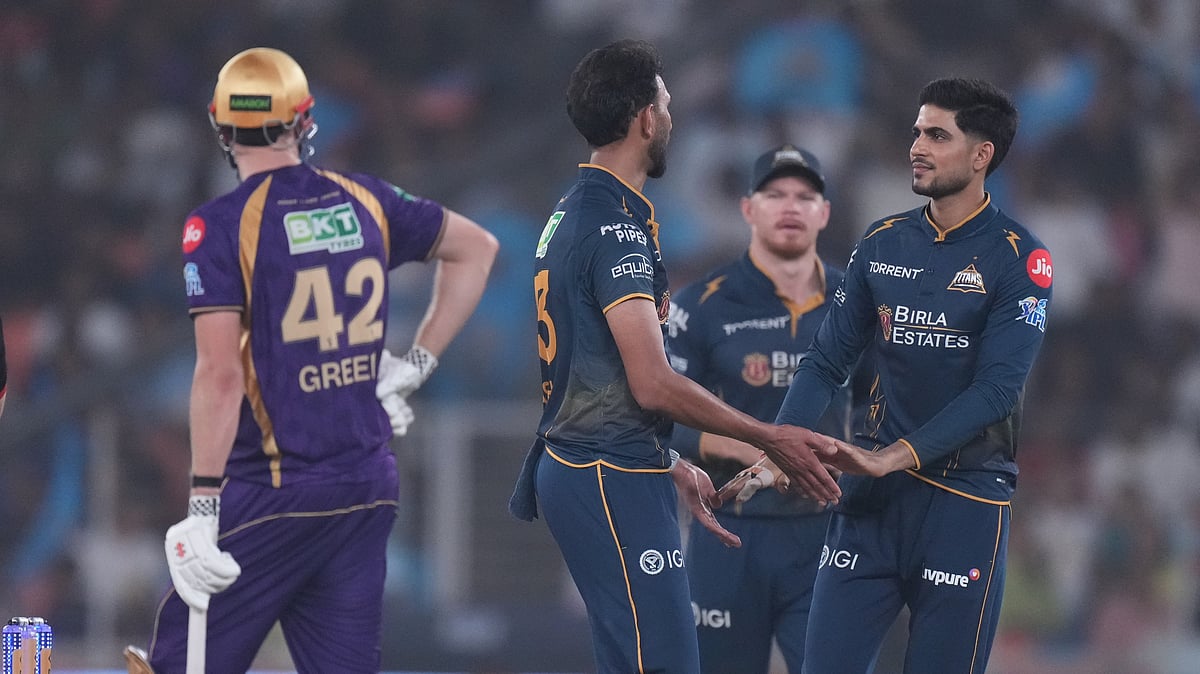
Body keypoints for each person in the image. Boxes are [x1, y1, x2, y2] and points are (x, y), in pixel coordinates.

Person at [124, 47, 497, 673]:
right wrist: (416, 365)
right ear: (304, 121)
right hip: (364, 488)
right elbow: (477, 250)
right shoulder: (367, 199)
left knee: (174, 668)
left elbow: (218, 374)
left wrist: (202, 509)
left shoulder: (218, 226)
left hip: (271, 492)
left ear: (220, 127)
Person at [507, 40, 842, 674]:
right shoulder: (613, 228)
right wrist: (768, 436)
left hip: (608, 465)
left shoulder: (577, 212)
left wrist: (664, 457)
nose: (672, 116)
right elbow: (653, 382)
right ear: (645, 120)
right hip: (607, 473)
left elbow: (592, 364)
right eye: (666, 102)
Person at [776, 77, 1053, 673]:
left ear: (982, 156)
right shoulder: (881, 241)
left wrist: (890, 455)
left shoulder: (1020, 259)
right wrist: (781, 444)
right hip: (870, 503)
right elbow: (826, 361)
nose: (917, 146)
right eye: (916, 132)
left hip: (964, 504)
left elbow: (997, 391)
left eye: (937, 134)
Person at [665, 144, 858, 673]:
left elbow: (885, 405)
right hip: (728, 533)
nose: (790, 206)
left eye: (804, 196)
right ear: (748, 208)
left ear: (824, 212)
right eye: (774, 195)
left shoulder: (858, 303)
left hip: (829, 537)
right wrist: (755, 448)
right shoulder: (700, 304)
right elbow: (663, 415)